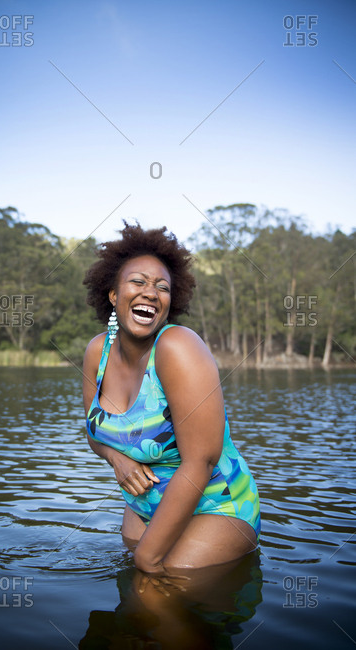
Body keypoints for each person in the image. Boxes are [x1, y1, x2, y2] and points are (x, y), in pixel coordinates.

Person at [82, 222, 260, 575]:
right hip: (144, 507)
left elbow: (201, 461)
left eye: (162, 287)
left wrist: (147, 558)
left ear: (169, 302)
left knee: (156, 591)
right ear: (114, 295)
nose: (151, 292)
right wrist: (117, 459)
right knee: (132, 607)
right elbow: (92, 431)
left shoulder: (178, 347)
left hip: (216, 504)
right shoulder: (97, 352)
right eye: (138, 282)